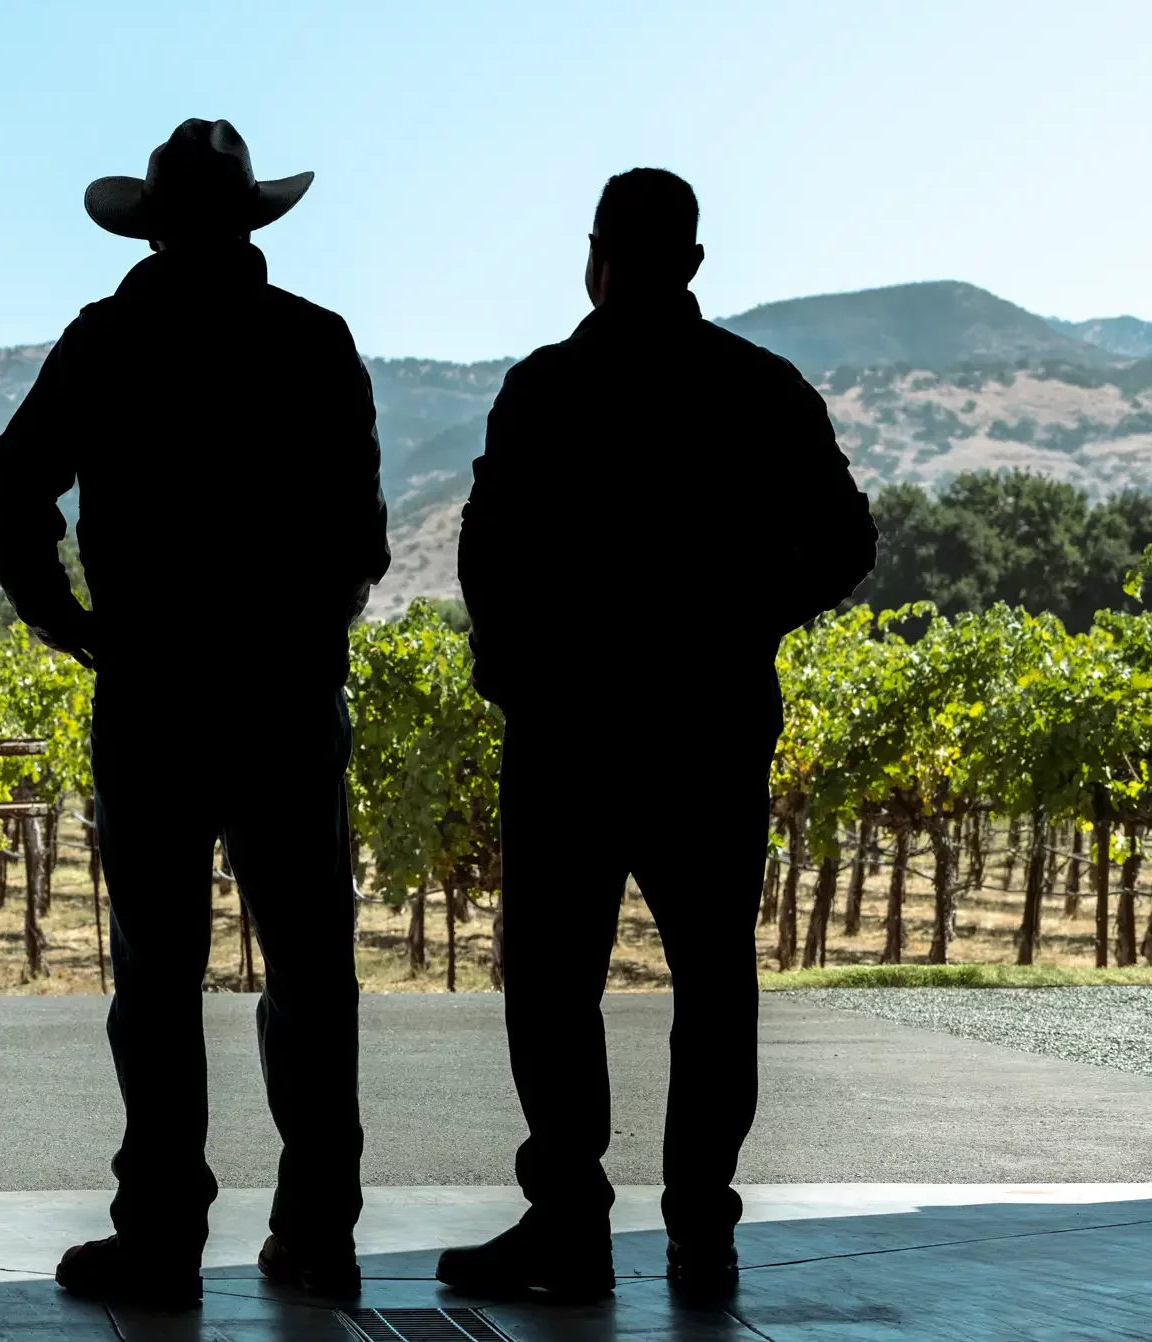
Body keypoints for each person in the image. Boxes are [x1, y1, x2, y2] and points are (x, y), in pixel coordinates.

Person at [442, 168, 877, 1301]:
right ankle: (701, 1233)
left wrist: (515, 677)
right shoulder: (761, 388)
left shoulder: (543, 389)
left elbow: (483, 556)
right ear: (690, 261)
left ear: (594, 256)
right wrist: (741, 622)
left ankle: (568, 1227)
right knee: (711, 981)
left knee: (548, 982)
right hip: (709, 731)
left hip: (566, 736)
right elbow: (842, 542)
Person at [0, 119, 391, 1309]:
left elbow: (12, 498)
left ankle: (159, 1237)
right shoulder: (314, 343)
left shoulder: (109, 341)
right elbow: (360, 539)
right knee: (311, 972)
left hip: (151, 696)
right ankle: (317, 1233)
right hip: (285, 697)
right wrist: (307, 632)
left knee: (155, 978)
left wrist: (69, 621)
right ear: (250, 222)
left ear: (151, 224)